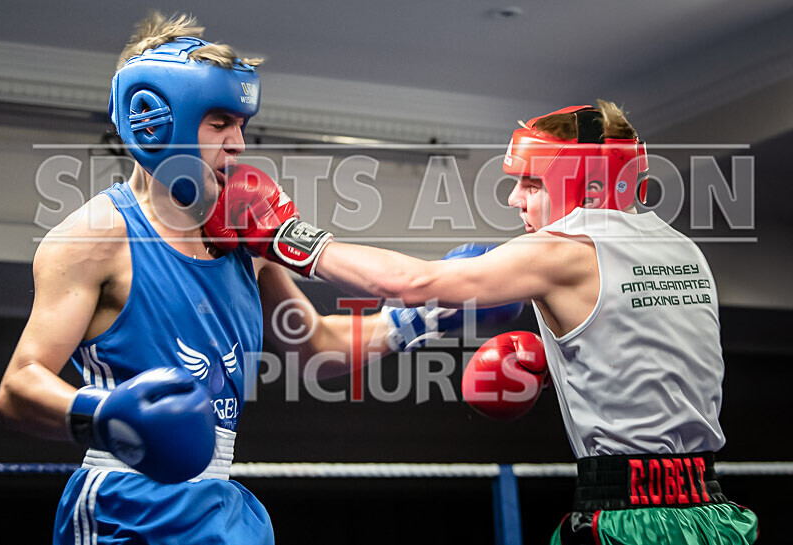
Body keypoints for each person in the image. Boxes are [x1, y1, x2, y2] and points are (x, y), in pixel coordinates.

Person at [0, 13, 521, 544]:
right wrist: (104, 414)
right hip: (126, 505)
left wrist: (423, 316)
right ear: (155, 119)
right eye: (219, 123)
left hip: (220, 504)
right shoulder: (97, 236)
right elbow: (17, 388)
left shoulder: (247, 234)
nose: (239, 144)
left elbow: (313, 343)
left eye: (241, 124)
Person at [206, 101, 759, 544]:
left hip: (630, 519)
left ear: (584, 185)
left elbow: (412, 284)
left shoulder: (565, 250)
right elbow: (657, 357)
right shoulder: (683, 250)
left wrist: (284, 233)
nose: (517, 199)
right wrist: (563, 367)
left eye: (534, 184)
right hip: (710, 509)